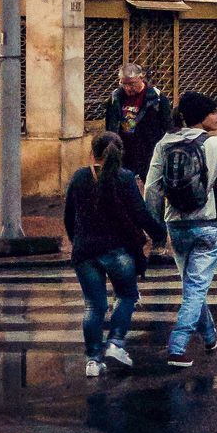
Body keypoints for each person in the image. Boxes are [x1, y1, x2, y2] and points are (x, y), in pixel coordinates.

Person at [146, 91, 217, 368]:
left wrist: (155, 229)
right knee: (195, 288)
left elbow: (151, 189)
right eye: (214, 112)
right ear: (201, 117)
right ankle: (177, 346)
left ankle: (209, 333)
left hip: (175, 225)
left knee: (193, 285)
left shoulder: (164, 144)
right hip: (207, 225)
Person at [64, 131, 167, 376]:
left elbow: (69, 216)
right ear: (120, 154)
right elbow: (140, 214)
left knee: (93, 306)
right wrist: (160, 232)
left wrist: (76, 240)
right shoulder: (125, 178)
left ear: (93, 153)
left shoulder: (79, 177)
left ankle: (92, 361)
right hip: (118, 251)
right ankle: (116, 342)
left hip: (85, 252)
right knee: (127, 295)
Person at [104, 63, 173, 181]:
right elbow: (110, 124)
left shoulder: (156, 97)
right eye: (123, 83)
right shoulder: (115, 97)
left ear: (141, 78)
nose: (127, 88)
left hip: (148, 149)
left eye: (131, 84)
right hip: (124, 149)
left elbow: (167, 124)